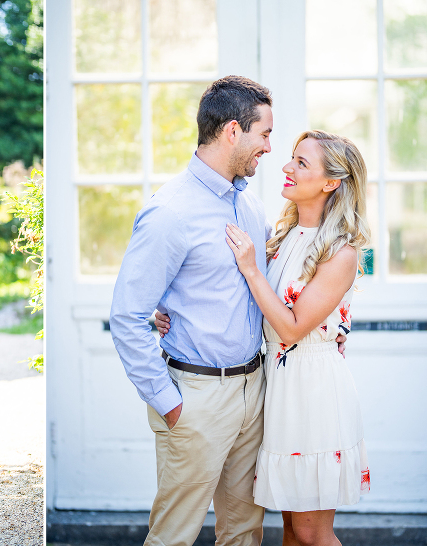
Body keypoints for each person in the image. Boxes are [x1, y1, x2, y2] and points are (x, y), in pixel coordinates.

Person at [109, 76, 347, 546]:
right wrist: (170, 403)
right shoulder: (171, 212)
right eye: (265, 134)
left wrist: (335, 321)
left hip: (257, 392)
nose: (270, 148)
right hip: (196, 397)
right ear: (233, 131)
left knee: (243, 532)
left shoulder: (251, 206)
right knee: (173, 536)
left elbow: (278, 287)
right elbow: (127, 315)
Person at [223, 130, 370, 545]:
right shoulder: (283, 237)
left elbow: (290, 327)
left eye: (302, 163)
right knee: (290, 530)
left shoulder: (341, 252)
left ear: (331, 182)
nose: (286, 166)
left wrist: (251, 269)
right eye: (291, 158)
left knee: (311, 532)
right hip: (282, 388)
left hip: (315, 394)